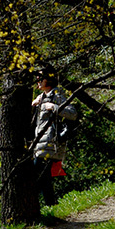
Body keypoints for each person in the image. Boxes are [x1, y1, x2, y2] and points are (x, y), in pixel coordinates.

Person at [31, 71, 78, 206]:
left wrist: (54, 107)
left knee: (39, 175)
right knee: (44, 178)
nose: (38, 80)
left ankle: (47, 206)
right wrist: (34, 105)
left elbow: (73, 114)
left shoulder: (57, 96)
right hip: (39, 143)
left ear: (49, 80)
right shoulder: (41, 97)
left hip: (50, 143)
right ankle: (51, 206)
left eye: (41, 77)